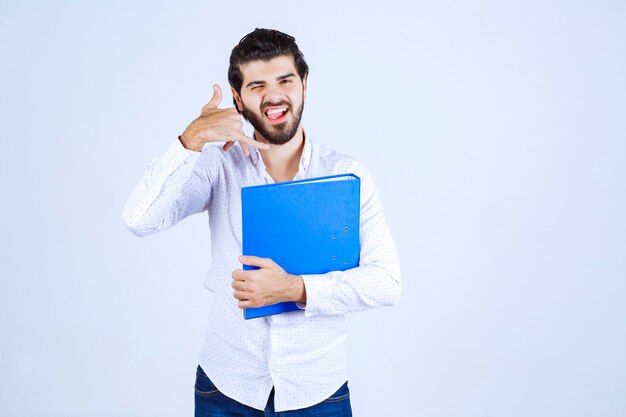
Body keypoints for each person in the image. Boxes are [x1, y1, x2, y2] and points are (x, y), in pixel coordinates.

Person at [121, 28, 401, 417]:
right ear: (237, 99)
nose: (273, 95)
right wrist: (193, 137)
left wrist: (296, 288)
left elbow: (386, 282)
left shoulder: (348, 175)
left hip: (317, 393)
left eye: (285, 80)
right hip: (225, 389)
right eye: (257, 85)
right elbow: (139, 219)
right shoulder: (217, 166)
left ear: (304, 84)